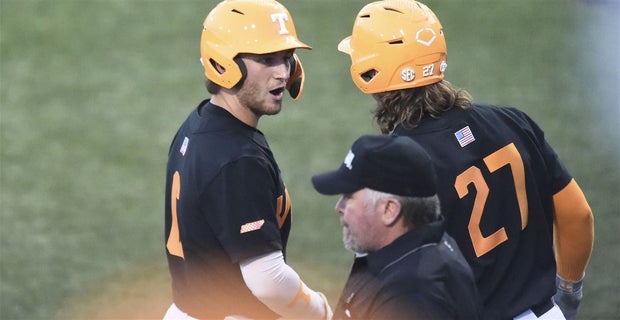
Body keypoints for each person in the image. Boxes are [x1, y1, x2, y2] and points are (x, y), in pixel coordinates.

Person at [336, 1, 594, 320]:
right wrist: (568, 293)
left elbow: (372, 287)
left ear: (369, 71)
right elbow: (578, 215)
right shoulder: (513, 122)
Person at [163, 0, 332, 318]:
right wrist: (319, 311)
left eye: (286, 58)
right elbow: (267, 280)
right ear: (224, 64)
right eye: (266, 59)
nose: (283, 73)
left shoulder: (199, 123)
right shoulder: (237, 159)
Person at [312, 134, 481, 319]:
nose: (339, 208)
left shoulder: (411, 297)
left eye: (349, 196)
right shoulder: (396, 255)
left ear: (389, 210)